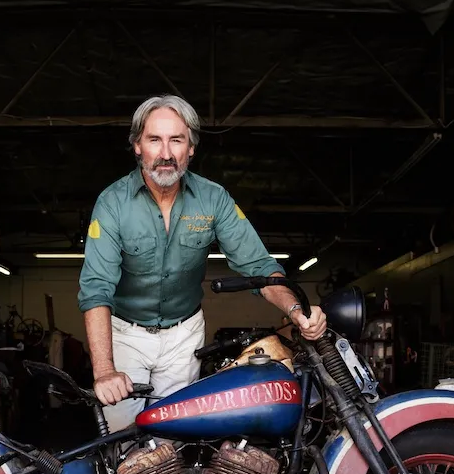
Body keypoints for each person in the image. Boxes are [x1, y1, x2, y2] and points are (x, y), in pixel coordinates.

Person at [78, 94, 327, 430]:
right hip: (125, 334)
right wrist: (105, 370)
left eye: (176, 140)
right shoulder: (112, 203)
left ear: (191, 147)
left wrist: (296, 310)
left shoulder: (213, 199)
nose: (166, 153)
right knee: (123, 441)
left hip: (184, 336)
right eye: (154, 140)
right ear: (137, 146)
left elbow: (259, 266)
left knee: (174, 438)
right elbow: (96, 288)